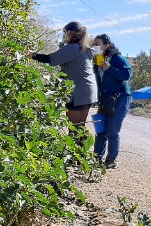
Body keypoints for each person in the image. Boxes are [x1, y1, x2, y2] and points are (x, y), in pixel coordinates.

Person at [27, 21, 98, 128]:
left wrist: (33, 55)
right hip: (88, 91)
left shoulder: (73, 48)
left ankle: (78, 144)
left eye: (66, 33)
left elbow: (51, 59)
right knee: (80, 126)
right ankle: (81, 144)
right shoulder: (85, 49)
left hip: (78, 93)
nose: (65, 36)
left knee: (74, 128)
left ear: (70, 32)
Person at [92, 34, 133, 169]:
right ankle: (96, 159)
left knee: (112, 131)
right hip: (104, 99)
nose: (95, 46)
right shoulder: (97, 61)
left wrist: (110, 68)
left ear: (106, 45)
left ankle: (111, 160)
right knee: (100, 130)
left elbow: (127, 75)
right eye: (94, 44)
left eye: (98, 43)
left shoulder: (117, 59)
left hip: (120, 97)